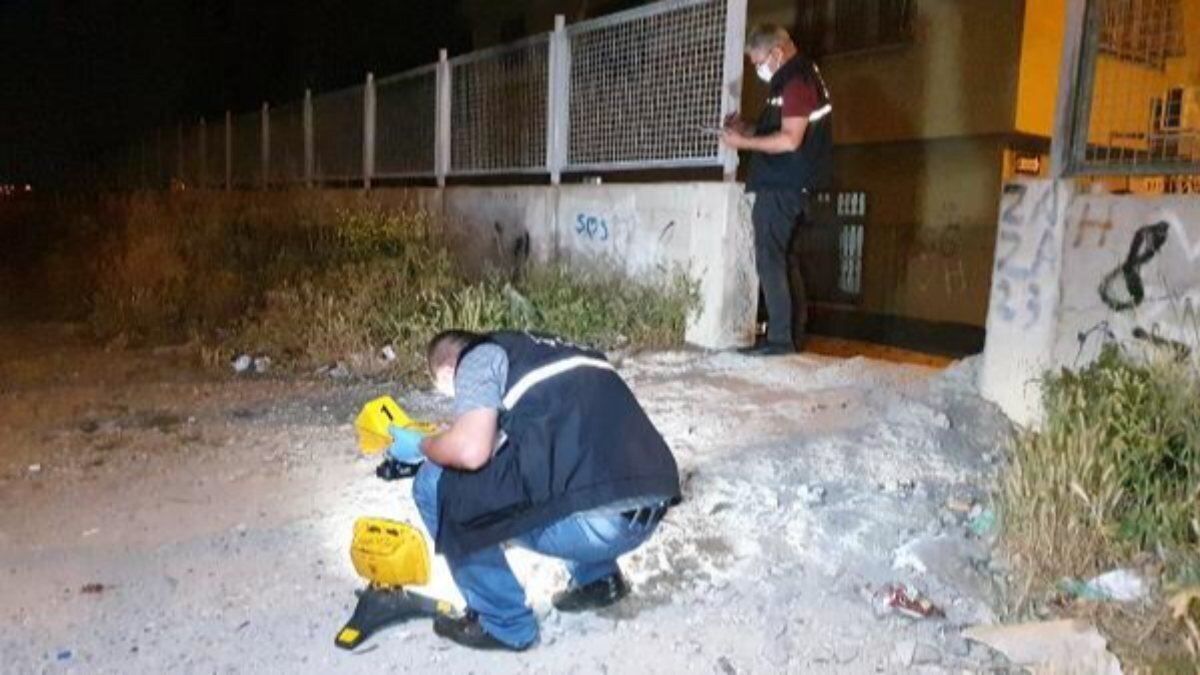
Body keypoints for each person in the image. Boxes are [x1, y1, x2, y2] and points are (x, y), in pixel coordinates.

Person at [382, 329, 680, 651]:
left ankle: (503, 623)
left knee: (435, 481)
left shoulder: (476, 358)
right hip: (650, 499)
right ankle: (598, 579)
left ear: (448, 371)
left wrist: (423, 446)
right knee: (560, 463)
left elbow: (471, 452)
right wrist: (453, 441)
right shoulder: (547, 349)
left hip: (599, 525)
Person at [721, 24, 833, 356]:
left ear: (777, 53)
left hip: (783, 185)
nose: (758, 69)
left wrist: (742, 142)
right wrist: (746, 128)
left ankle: (781, 340)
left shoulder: (796, 81)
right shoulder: (798, 77)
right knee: (785, 259)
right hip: (794, 183)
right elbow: (778, 128)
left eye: (759, 62)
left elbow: (789, 139)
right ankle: (791, 337)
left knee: (770, 259)